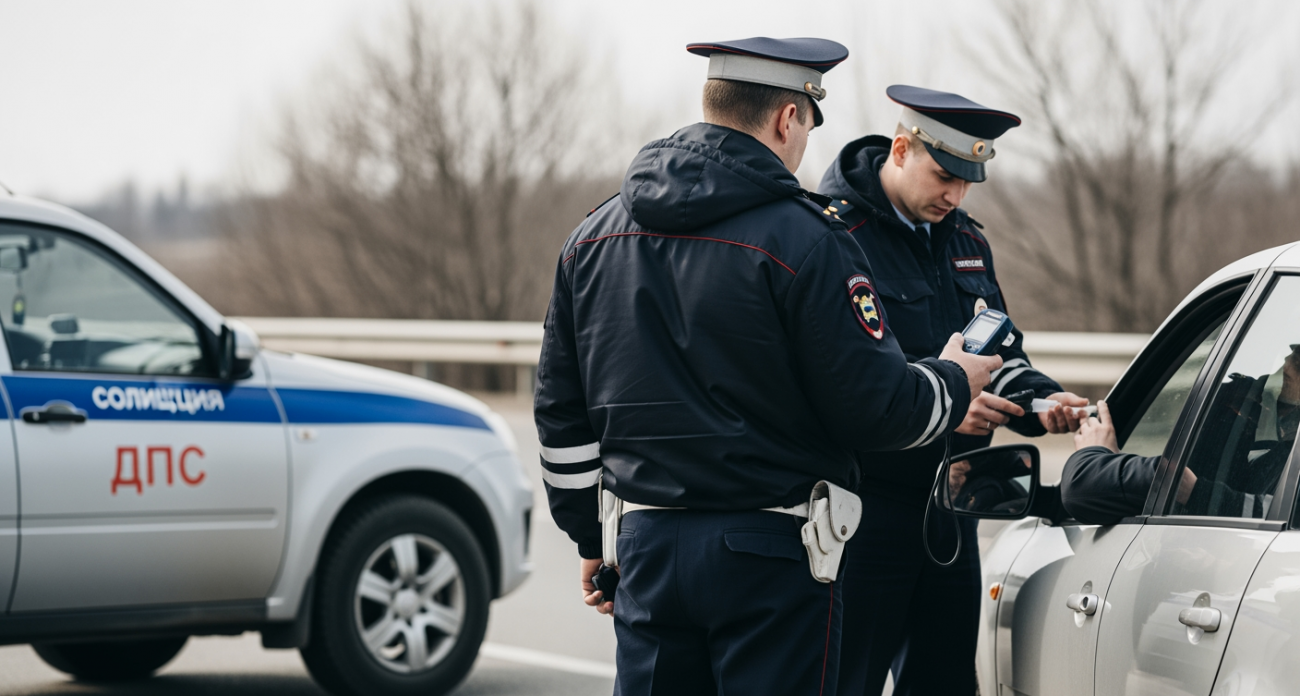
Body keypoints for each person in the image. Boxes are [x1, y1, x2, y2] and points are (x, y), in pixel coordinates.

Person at [533, 40, 1002, 696]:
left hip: (642, 546)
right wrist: (953, 380)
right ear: (787, 118)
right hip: (773, 557)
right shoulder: (806, 239)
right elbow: (876, 409)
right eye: (810, 122)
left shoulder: (592, 236)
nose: (807, 139)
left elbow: (560, 413)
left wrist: (591, 535)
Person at [817, 85, 1089, 696]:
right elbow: (840, 375)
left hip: (952, 507)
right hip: (864, 510)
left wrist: (1043, 403)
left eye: (969, 182)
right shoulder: (833, 235)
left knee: (943, 683)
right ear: (901, 148)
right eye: (944, 176)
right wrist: (944, 407)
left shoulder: (967, 242)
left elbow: (999, 352)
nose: (955, 195)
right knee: (845, 681)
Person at [1064, 346, 1300, 523]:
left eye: (1298, 360)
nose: (1287, 362)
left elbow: (1081, 488)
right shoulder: (1277, 458)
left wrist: (1193, 490)